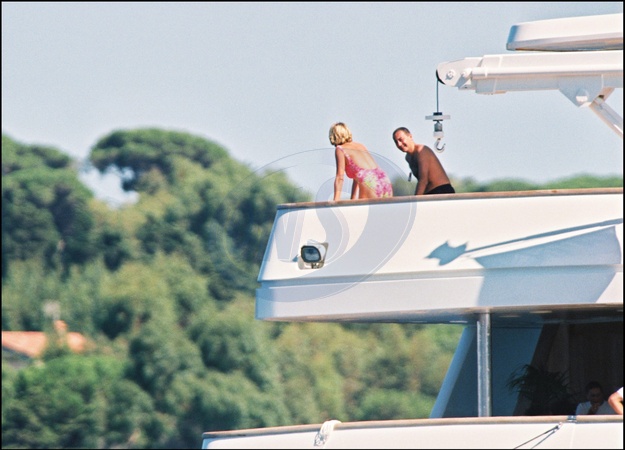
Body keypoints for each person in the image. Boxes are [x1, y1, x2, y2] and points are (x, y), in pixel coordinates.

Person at [329, 122, 393, 201]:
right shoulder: (360, 146)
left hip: (369, 182)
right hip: (383, 179)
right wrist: (353, 198)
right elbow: (358, 175)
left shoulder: (340, 149)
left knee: (363, 208)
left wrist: (336, 200)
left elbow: (340, 177)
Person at [392, 126, 455, 195]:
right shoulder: (408, 158)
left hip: (442, 190)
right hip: (428, 193)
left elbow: (423, 180)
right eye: (396, 142)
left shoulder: (421, 151)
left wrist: (416, 199)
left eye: (401, 139)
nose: (399, 144)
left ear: (410, 136)